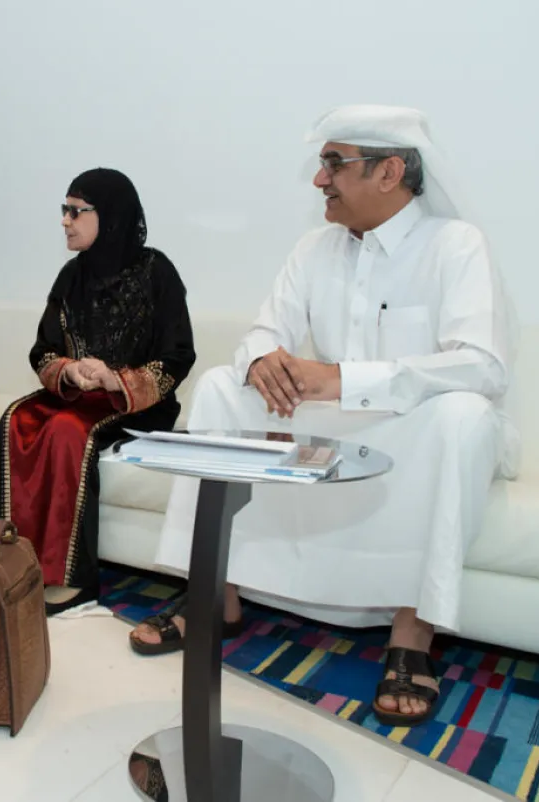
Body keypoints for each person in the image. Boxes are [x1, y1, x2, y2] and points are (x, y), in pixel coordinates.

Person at [129, 105, 519, 728]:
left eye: (334, 164)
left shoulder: (455, 245)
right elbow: (263, 332)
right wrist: (263, 361)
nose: (319, 180)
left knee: (464, 417)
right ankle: (215, 593)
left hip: (414, 429)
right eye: (321, 164)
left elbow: (482, 366)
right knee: (223, 387)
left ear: (389, 172)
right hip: (335, 422)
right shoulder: (314, 248)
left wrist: (342, 379)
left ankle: (412, 630)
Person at [0, 168, 196, 615]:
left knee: (65, 428)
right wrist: (70, 369)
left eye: (76, 211)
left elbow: (178, 356)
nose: (65, 220)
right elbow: (43, 350)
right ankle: (11, 561)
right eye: (64, 210)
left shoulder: (156, 271)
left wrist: (115, 379)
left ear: (111, 216)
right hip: (80, 396)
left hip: (138, 403)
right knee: (17, 419)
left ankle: (68, 577)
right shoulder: (72, 276)